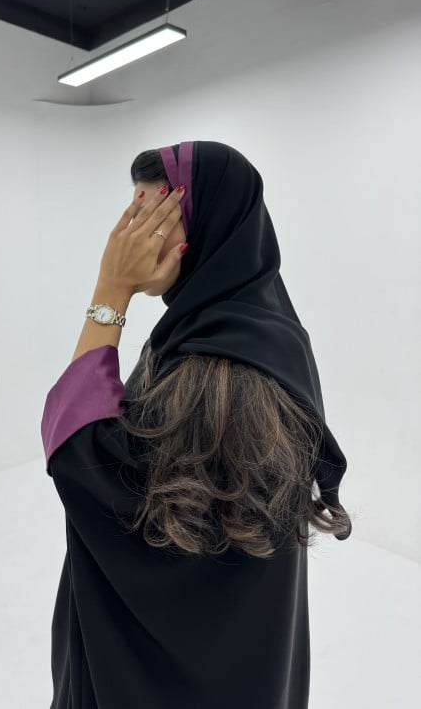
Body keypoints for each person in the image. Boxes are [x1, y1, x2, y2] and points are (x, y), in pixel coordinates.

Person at [40, 140, 353, 709]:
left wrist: (109, 292)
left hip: (180, 677)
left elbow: (84, 457)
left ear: (209, 228)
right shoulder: (259, 331)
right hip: (245, 660)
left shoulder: (220, 372)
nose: (132, 237)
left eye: (153, 215)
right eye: (132, 213)